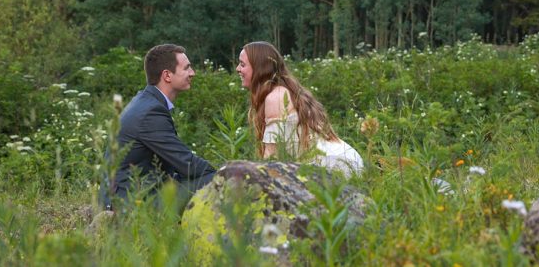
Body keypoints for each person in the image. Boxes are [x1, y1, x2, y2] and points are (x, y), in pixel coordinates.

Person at [106, 44, 216, 207]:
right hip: (129, 203)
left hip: (128, 194)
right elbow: (187, 164)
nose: (192, 73)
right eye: (187, 68)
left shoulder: (145, 101)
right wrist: (224, 175)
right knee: (215, 182)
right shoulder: (150, 112)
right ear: (167, 75)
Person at [236, 41, 363, 177]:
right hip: (342, 160)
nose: (238, 69)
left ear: (259, 67)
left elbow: (270, 159)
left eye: (242, 64)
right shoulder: (282, 91)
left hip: (336, 164)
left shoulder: (276, 97)